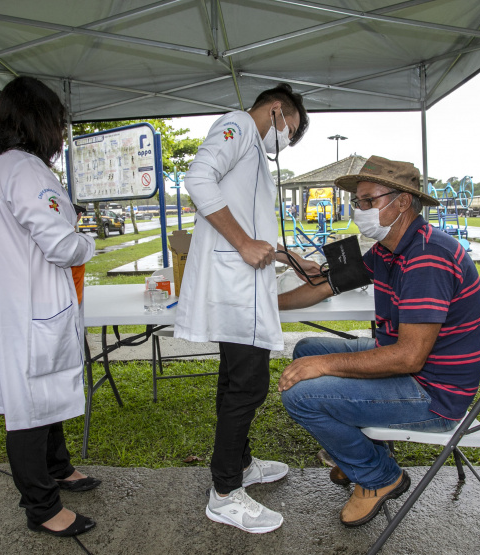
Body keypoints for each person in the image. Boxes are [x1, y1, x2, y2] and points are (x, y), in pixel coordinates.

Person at [277, 155, 480, 527]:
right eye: (357, 202)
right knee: (306, 350)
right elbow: (325, 284)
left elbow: (408, 358)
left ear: (402, 202)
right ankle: (361, 454)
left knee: (301, 394)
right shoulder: (391, 248)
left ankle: (378, 476)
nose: (359, 211)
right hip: (418, 371)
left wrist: (325, 366)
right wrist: (266, 306)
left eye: (367, 202)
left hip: (432, 394)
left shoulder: (427, 258)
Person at [174, 83, 318, 534]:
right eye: (288, 131)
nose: (285, 142)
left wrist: (286, 255)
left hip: (241, 284)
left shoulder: (251, 146)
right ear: (277, 110)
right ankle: (224, 493)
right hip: (235, 288)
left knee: (235, 381)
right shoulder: (237, 125)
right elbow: (197, 179)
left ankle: (240, 464)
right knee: (248, 387)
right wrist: (243, 243)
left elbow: (250, 225)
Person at [0, 76, 98, 538]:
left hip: (10, 303)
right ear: (41, 122)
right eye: (57, 124)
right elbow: (62, 245)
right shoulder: (26, 169)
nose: (60, 135)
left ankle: (58, 467)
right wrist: (88, 243)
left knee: (42, 395)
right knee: (28, 407)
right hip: (31, 307)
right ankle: (41, 508)